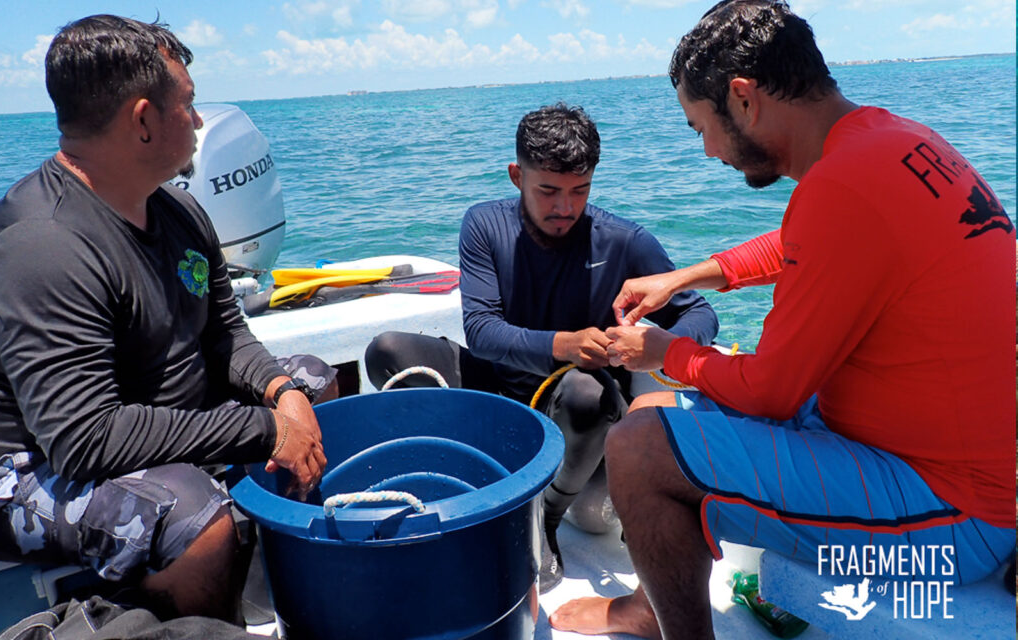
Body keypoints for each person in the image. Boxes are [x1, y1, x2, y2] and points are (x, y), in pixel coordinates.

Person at [550, 1, 1015, 638]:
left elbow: (772, 392)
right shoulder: (889, 141)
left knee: (638, 450)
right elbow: (803, 240)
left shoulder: (842, 186)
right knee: (678, 415)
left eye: (700, 127)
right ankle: (646, 607)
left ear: (743, 99)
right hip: (941, 464)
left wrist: (666, 354)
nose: (709, 151)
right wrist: (688, 276)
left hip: (952, 533)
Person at [0, 15, 337, 624]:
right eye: (189, 104)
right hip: (32, 466)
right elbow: (84, 438)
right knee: (191, 513)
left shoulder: (177, 210)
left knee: (314, 380)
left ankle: (266, 589)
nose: (200, 121)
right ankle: (207, 626)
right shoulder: (42, 245)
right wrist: (264, 431)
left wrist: (280, 393)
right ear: (144, 120)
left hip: (153, 412)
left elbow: (226, 331)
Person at [365, 103, 719, 592]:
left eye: (580, 191)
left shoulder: (624, 242)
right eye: (548, 190)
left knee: (587, 396)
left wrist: (659, 346)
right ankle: (460, 471)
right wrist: (563, 343)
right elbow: (483, 332)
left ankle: (544, 519)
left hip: (575, 408)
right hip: (498, 385)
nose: (564, 208)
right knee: (386, 351)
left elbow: (702, 315)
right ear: (517, 176)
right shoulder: (484, 226)